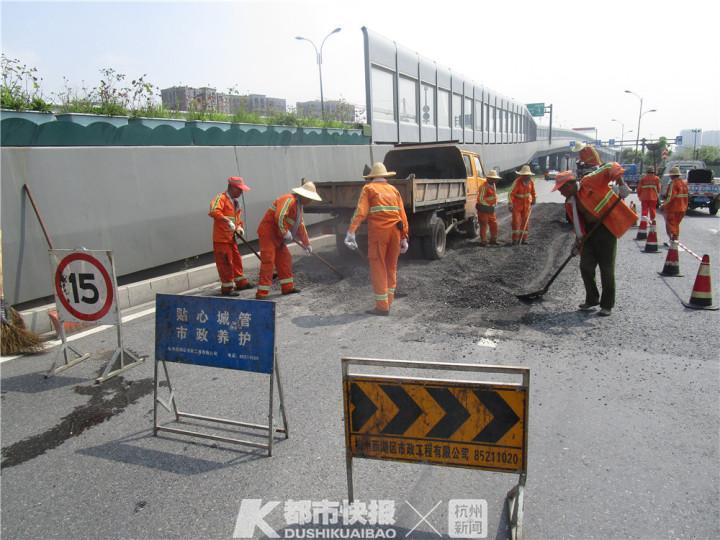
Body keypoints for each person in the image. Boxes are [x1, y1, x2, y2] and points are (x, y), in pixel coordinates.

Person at [552, 164, 637, 316]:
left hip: (606, 229)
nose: (560, 192)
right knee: (585, 267)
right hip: (590, 233)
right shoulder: (569, 203)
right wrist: (578, 242)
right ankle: (592, 299)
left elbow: (612, 166)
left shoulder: (590, 181)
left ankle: (607, 305)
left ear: (571, 184)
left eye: (561, 188)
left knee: (606, 269)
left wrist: (621, 184)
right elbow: (578, 225)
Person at [344, 162, 409, 316]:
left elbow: (361, 211)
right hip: (396, 232)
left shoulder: (369, 188)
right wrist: (405, 237)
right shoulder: (394, 190)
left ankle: (382, 307)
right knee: (391, 266)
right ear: (385, 176)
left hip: (380, 233)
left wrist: (351, 231)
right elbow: (403, 215)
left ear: (371, 177)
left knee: (378, 266)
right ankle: (389, 301)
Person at [255, 179, 321, 299]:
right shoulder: (288, 199)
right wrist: (285, 232)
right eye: (310, 198)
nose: (311, 201)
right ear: (304, 195)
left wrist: (307, 244)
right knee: (268, 260)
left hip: (279, 236)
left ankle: (287, 287)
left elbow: (300, 226)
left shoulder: (299, 206)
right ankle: (262, 294)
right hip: (269, 234)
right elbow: (279, 216)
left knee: (285, 258)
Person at [208, 176, 253, 296]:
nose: (241, 192)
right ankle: (227, 288)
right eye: (239, 189)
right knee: (225, 262)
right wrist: (227, 221)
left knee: (237, 260)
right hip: (221, 239)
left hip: (231, 238)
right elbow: (214, 211)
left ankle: (241, 283)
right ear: (232, 187)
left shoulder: (235, 203)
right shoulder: (221, 198)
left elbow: (237, 219)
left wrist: (239, 227)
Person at [509, 164, 536, 244]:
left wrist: (534, 199)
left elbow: (533, 192)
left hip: (527, 204)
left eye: (527, 175)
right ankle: (515, 239)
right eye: (524, 175)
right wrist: (510, 203)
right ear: (521, 175)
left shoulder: (531, 182)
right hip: (517, 204)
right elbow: (511, 194)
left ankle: (523, 239)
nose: (526, 176)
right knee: (516, 222)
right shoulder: (517, 182)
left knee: (525, 222)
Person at [661, 166, 689, 241]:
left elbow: (670, 196)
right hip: (683, 208)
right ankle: (674, 239)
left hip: (674, 208)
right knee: (676, 225)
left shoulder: (673, 183)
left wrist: (664, 205)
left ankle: (674, 240)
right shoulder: (684, 183)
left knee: (671, 224)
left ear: (672, 175)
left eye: (670, 175)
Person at [476, 169, 501, 246]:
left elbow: (494, 197)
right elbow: (480, 199)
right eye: (493, 178)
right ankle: (483, 241)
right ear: (488, 178)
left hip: (490, 210)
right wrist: (488, 205)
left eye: (495, 179)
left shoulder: (493, 185)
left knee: (494, 224)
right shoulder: (484, 187)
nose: (494, 180)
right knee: (484, 225)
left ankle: (493, 240)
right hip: (483, 210)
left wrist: (494, 203)